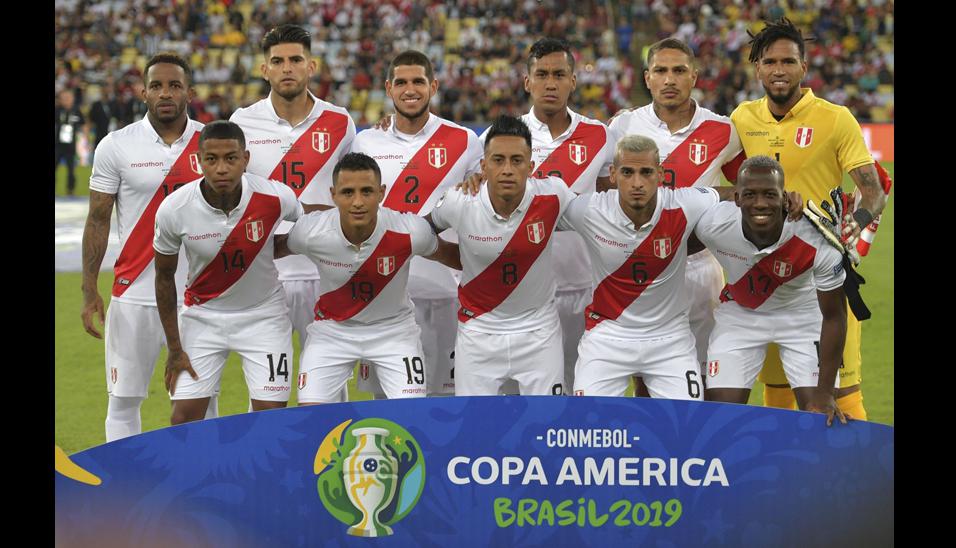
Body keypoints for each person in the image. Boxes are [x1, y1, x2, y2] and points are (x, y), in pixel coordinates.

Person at [730, 18, 887, 419]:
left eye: (788, 61)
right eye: (770, 62)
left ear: (804, 67)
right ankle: (783, 479)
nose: (779, 70)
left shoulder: (836, 119)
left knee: (842, 390)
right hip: (764, 275)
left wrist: (849, 236)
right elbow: (724, 191)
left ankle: (860, 479)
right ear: (758, 68)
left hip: (823, 275)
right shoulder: (741, 120)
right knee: (778, 392)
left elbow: (873, 191)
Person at [81, 52, 218, 442]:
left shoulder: (214, 142)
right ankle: (127, 494)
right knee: (123, 401)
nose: (165, 93)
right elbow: (97, 219)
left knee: (202, 404)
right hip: (134, 295)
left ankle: (200, 488)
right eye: (156, 85)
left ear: (189, 92)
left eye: (174, 84)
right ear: (143, 92)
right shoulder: (116, 146)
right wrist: (90, 288)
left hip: (198, 299)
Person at [476, 38, 617, 391]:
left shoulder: (599, 136)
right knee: (514, 394)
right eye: (541, 74)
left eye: (559, 74)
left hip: (583, 286)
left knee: (574, 389)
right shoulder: (501, 138)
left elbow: (609, 204)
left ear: (573, 80)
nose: (550, 83)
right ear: (527, 82)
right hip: (518, 292)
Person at [608, 38, 745, 392]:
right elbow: (601, 191)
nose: (670, 79)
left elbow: (747, 189)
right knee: (646, 380)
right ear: (647, 78)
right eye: (661, 71)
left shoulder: (723, 130)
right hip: (641, 269)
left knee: (702, 378)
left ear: (694, 77)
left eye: (679, 71)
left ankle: (699, 448)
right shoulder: (622, 128)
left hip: (699, 266)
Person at [562, 135, 739, 398]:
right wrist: (479, 188)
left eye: (646, 173)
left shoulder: (683, 204)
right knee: (590, 428)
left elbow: (730, 193)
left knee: (686, 425)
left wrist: (780, 198)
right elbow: (533, 204)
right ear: (612, 174)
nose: (637, 183)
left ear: (661, 174)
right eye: (627, 173)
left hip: (670, 340)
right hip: (607, 337)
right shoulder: (590, 209)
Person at [350, 50, 483, 397]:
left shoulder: (465, 141)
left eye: (418, 82)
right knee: (386, 401)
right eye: (402, 83)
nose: (411, 90)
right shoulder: (366, 142)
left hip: (447, 290)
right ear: (388, 89)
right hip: (384, 292)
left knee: (448, 397)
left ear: (433, 86)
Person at [230, 24, 356, 383]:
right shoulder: (243, 122)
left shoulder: (340, 122)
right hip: (266, 274)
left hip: (328, 271)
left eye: (295, 60)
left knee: (328, 386)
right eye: (278, 61)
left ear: (311, 66)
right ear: (264, 69)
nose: (287, 68)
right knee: (270, 386)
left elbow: (359, 186)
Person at [280, 153, 462, 403]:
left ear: (381, 192)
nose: (357, 202)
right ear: (333, 194)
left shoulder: (411, 231)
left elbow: (455, 257)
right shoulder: (310, 231)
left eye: (367, 191)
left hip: (394, 332)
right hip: (332, 331)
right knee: (311, 413)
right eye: (347, 193)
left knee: (410, 415)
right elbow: (262, 251)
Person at [153, 121, 302, 424]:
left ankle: (256, 472)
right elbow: (164, 277)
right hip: (202, 319)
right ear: (198, 161)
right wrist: (175, 348)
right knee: (184, 420)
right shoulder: (174, 209)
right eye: (212, 159)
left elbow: (310, 228)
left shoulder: (276, 197)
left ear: (245, 159)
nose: (221, 168)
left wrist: (265, 247)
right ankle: (200, 472)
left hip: (264, 317)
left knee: (271, 418)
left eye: (231, 158)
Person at [429, 115, 577, 396]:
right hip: (478, 333)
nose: (507, 169)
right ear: (483, 166)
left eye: (517, 160)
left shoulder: (554, 196)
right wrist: (451, 256)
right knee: (476, 431)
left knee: (548, 424)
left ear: (531, 167)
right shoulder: (459, 201)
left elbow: (600, 219)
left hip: (539, 332)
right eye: (498, 160)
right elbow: (421, 233)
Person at [696, 156, 847, 426]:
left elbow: (835, 316)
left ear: (785, 197)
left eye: (770, 194)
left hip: (802, 316)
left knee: (818, 416)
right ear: (737, 197)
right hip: (741, 315)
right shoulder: (712, 225)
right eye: (750, 195)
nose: (761, 203)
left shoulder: (817, 239)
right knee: (718, 416)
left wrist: (825, 393)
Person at [55, 89, 86, 195]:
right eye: (64, 99)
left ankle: (70, 190)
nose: (66, 101)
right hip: (57, 145)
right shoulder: (57, 110)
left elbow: (83, 124)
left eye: (68, 98)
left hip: (70, 145)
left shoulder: (77, 110)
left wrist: (85, 139)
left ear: (72, 99)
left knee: (71, 170)